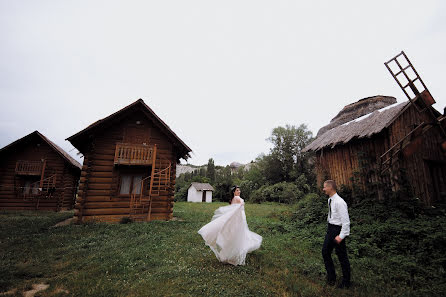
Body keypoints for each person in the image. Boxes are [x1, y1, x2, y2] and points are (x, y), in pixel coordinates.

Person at [198, 185, 262, 266]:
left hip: (238, 218)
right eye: (237, 190)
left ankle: (230, 255)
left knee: (233, 237)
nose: (239, 191)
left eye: (239, 190)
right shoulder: (237, 198)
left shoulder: (233, 199)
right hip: (239, 219)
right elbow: (240, 206)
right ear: (234, 192)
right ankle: (233, 255)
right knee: (238, 237)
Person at [322, 180, 351, 288]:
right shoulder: (330, 199)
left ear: (330, 188)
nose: (323, 189)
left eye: (325, 187)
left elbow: (346, 222)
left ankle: (346, 282)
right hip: (330, 229)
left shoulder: (340, 202)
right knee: (325, 251)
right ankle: (331, 278)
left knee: (342, 256)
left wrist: (341, 236)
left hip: (338, 230)